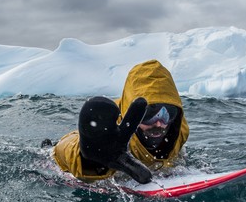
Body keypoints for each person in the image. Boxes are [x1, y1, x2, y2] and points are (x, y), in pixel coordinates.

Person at [53, 59, 189, 184]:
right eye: (150, 113)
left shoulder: (179, 129)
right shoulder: (113, 125)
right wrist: (90, 160)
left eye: (168, 113)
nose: (160, 123)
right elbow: (64, 147)